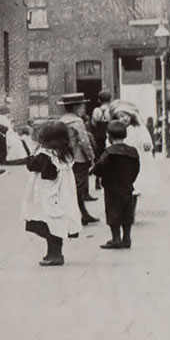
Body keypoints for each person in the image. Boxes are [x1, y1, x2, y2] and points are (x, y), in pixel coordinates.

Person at [21, 119, 81, 266]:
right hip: (62, 193)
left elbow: (32, 166)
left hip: (47, 196)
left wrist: (33, 154)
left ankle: (55, 255)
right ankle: (53, 253)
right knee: (57, 224)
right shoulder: (64, 153)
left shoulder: (45, 155)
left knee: (48, 224)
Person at [91, 120, 140, 250]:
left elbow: (99, 168)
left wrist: (95, 172)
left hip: (112, 189)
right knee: (127, 215)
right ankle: (127, 238)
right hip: (127, 188)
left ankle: (116, 238)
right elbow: (136, 169)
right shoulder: (133, 151)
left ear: (109, 136)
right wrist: (130, 180)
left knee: (113, 214)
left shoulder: (109, 152)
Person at [58, 92, 99, 225]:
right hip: (79, 158)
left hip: (66, 158)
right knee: (78, 189)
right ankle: (75, 216)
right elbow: (84, 142)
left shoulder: (61, 121)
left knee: (72, 187)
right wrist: (92, 158)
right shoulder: (77, 121)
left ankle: (84, 214)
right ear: (76, 107)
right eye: (82, 106)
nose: (84, 108)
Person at [111, 99, 160, 200]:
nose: (122, 119)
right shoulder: (119, 129)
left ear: (130, 115)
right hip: (124, 156)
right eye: (119, 117)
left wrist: (146, 144)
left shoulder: (137, 127)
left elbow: (145, 137)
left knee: (136, 178)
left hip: (137, 155)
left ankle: (133, 197)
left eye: (124, 116)